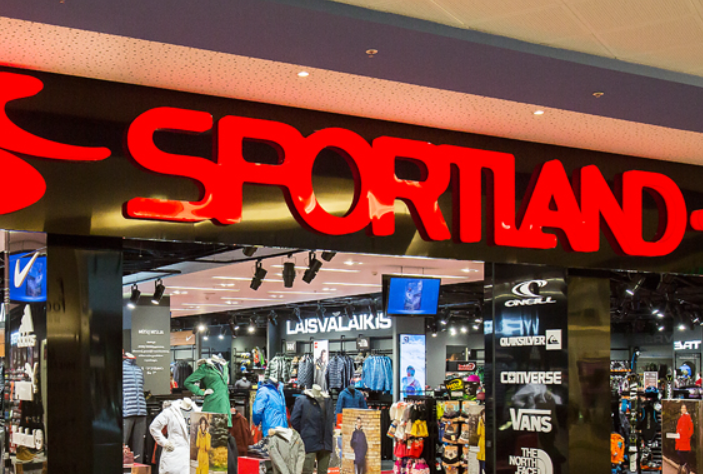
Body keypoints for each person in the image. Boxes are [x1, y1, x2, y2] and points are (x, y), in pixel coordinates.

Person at [675, 403, 694, 474]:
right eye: (682, 408)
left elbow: (691, 429)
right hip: (679, 440)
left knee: (681, 453)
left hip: (685, 440)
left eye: (684, 408)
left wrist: (687, 436)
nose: (683, 409)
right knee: (680, 453)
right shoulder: (680, 417)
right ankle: (683, 468)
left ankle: (685, 467)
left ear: (686, 409)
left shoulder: (688, 417)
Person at [477, 410, 486, 474]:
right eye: (483, 415)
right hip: (481, 443)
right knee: (480, 460)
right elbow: (478, 432)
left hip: (487, 443)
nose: (484, 416)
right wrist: (480, 423)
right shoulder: (481, 422)